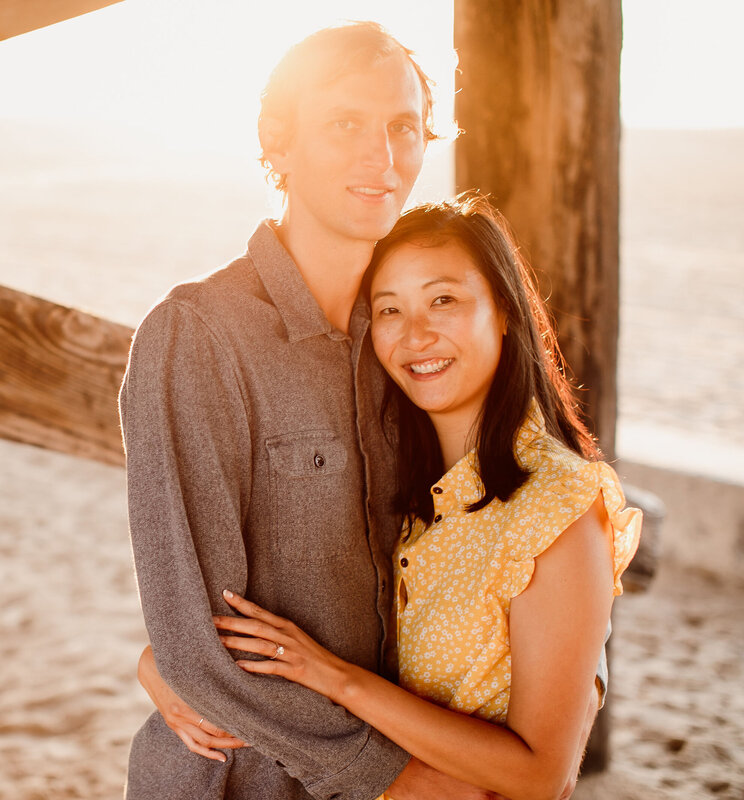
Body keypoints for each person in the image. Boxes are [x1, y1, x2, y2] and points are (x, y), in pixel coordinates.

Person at [119, 22, 512, 799]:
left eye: (404, 127)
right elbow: (198, 647)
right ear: (279, 139)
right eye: (346, 125)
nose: (384, 155)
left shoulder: (415, 344)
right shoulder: (197, 338)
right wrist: (394, 782)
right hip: (240, 780)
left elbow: (526, 503)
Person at [211, 196, 641, 799]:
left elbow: (542, 774)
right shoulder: (393, 493)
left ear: (505, 311)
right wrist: (162, 666)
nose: (416, 335)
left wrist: (339, 680)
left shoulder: (557, 504)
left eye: (444, 300)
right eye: (389, 309)